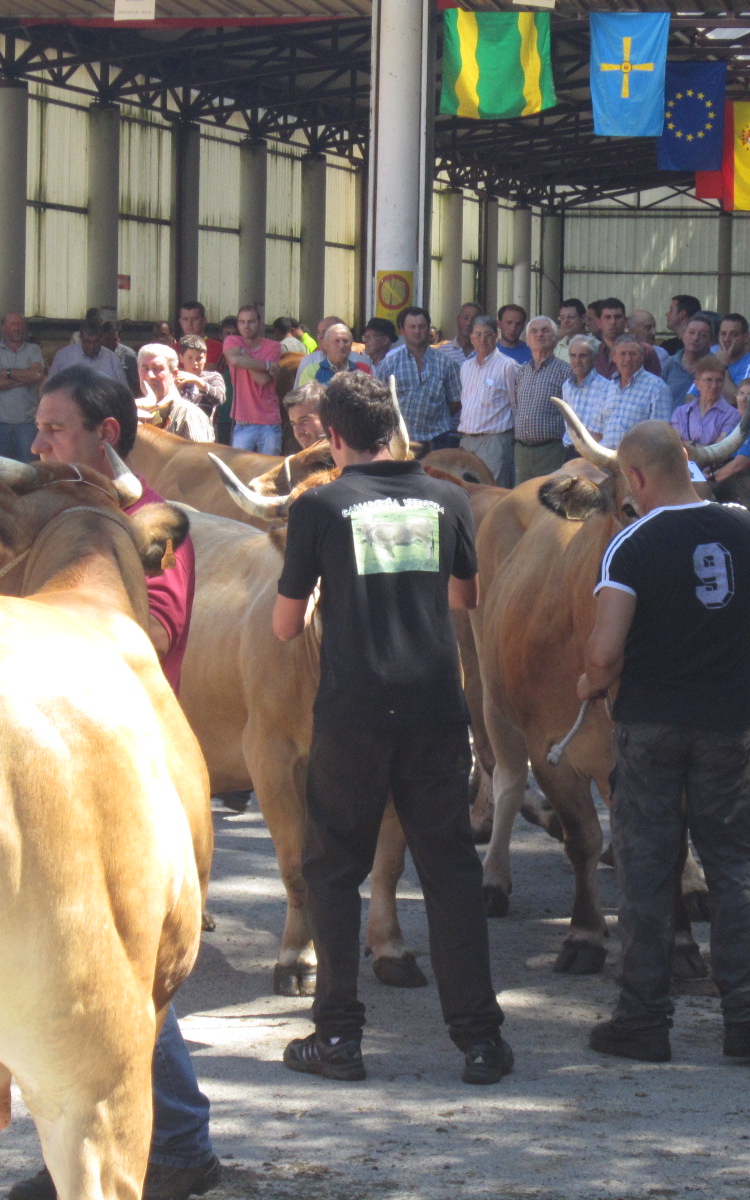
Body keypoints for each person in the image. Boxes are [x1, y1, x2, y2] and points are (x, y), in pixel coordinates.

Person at [10, 366, 218, 1200]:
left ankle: (180, 1142)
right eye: (38, 428)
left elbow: (157, 624)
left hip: (126, 764)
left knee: (122, 968)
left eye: (54, 429)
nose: (37, 445)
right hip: (67, 753)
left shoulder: (151, 522)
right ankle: (101, 1145)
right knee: (78, 967)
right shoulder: (68, 515)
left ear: (106, 434)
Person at [272, 370, 511, 1086]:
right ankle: (479, 1041)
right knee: (448, 871)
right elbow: (463, 597)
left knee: (334, 870)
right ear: (394, 430)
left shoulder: (321, 507)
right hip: (437, 709)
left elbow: (286, 627)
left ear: (333, 436)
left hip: (353, 711)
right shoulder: (448, 497)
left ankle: (338, 1040)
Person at [577, 419, 750, 1065]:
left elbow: (606, 648)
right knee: (733, 869)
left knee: (648, 873)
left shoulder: (631, 543)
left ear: (637, 477)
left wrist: (589, 681)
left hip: (651, 723)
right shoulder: (739, 527)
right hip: (726, 722)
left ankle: (643, 1020)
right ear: (688, 462)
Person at [376, 305, 462, 453]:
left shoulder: (446, 364)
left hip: (437, 439)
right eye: (412, 327)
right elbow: (379, 401)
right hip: (400, 439)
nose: (417, 331)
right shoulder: (388, 364)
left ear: (428, 329)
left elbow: (456, 401)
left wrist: (434, 415)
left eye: (422, 327)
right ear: (403, 330)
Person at [457, 315, 519, 488]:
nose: (482, 339)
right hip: (467, 441)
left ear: (496, 336)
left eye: (488, 334)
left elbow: (516, 406)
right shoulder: (466, 367)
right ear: (471, 337)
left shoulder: (508, 366)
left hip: (494, 442)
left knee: (493, 492)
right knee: (467, 491)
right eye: (477, 334)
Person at [513, 315, 571, 483]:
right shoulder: (521, 372)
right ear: (527, 339)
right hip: (522, 452)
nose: (539, 335)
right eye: (534, 331)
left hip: (552, 451)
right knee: (522, 502)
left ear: (555, 338)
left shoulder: (565, 372)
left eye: (545, 331)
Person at [0, 311, 46, 463]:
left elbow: (37, 375)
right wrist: (26, 378)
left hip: (27, 422)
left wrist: (8, 372)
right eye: (13, 324)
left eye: (20, 324)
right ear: (4, 327)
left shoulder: (34, 350)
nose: (17, 328)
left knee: (28, 471)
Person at [224, 305, 285, 455]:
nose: (246, 326)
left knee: (270, 471)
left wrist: (245, 358)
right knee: (238, 471)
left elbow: (263, 379)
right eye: (242, 322)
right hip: (243, 421)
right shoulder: (232, 340)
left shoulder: (274, 346)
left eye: (251, 322)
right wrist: (268, 365)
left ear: (260, 323)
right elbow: (234, 361)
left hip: (269, 422)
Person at [597, 334, 671, 448]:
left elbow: (661, 435)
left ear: (642, 357)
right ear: (614, 357)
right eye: (623, 354)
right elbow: (598, 430)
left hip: (636, 460)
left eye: (633, 354)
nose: (628, 359)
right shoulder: (607, 388)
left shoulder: (657, 387)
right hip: (605, 457)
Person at [136, 343, 214, 442]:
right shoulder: (133, 412)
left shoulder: (188, 414)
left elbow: (198, 456)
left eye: (158, 369)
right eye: (145, 369)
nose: (150, 376)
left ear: (174, 374)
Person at [669, 355, 738, 464]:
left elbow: (720, 450)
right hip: (682, 469)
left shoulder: (732, 414)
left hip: (712, 472)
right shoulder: (680, 412)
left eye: (719, 381)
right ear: (697, 384)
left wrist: (689, 445)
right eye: (709, 380)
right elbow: (674, 445)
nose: (714, 386)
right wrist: (706, 448)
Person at [558, 335, 612, 455]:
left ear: (593, 359)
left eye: (582, 356)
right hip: (570, 451)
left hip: (594, 454)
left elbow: (604, 428)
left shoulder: (606, 387)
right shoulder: (567, 386)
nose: (577, 361)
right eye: (573, 356)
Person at [51, 318, 127, 386]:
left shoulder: (111, 358)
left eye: (96, 342)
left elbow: (123, 390)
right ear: (80, 338)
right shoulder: (63, 356)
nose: (92, 346)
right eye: (87, 342)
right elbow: (50, 387)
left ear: (101, 339)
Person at [662, 315, 715, 410]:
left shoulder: (715, 366)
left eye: (702, 335)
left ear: (710, 341)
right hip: (669, 423)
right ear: (683, 336)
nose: (695, 338)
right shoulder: (671, 363)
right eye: (691, 333)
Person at [297, 322, 372, 389]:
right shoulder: (311, 371)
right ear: (326, 345)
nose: (342, 345)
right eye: (336, 341)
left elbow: (371, 398)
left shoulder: (363, 369)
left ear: (351, 344)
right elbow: (306, 401)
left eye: (345, 341)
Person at [177, 334, 227, 422]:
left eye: (199, 358)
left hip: (203, 429)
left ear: (205, 358)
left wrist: (197, 381)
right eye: (190, 358)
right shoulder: (176, 378)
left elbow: (219, 398)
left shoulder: (213, 377)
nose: (195, 363)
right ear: (181, 358)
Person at [715, 313, 750, 387]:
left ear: (745, 337)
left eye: (734, 334)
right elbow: (691, 395)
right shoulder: (710, 361)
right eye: (723, 334)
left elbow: (737, 397)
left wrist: (723, 367)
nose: (727, 339)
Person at [178, 300, 223, 373]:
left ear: (204, 320)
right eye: (185, 319)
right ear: (180, 321)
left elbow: (209, 370)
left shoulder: (218, 347)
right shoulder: (171, 349)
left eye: (195, 319)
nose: (190, 323)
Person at [283, 382, 327, 447]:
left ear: (325, 417)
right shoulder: (299, 457)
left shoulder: (344, 455)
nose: (298, 431)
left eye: (304, 421)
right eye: (293, 424)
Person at [437, 302, 480, 366]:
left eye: (474, 320)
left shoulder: (486, 352)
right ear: (458, 319)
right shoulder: (442, 353)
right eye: (465, 318)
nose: (469, 323)